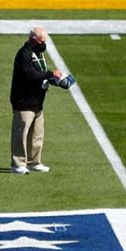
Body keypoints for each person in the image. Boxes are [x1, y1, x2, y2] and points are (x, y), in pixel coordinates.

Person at [10, 27, 74, 174]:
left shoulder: (38, 53)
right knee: (21, 134)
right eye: (42, 41)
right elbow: (29, 75)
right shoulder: (24, 54)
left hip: (37, 102)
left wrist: (55, 79)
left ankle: (34, 162)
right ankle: (18, 164)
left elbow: (40, 74)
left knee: (37, 135)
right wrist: (50, 74)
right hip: (24, 101)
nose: (44, 44)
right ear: (33, 40)